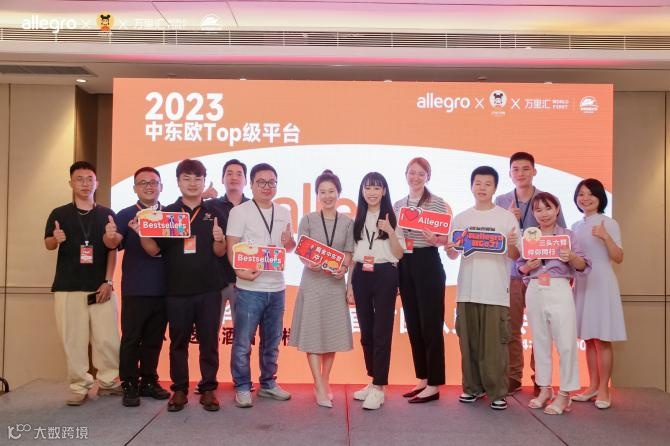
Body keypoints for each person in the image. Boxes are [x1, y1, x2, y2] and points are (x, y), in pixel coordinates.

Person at [132, 159, 227, 412]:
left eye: (197, 178)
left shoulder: (215, 212)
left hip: (209, 290)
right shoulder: (167, 214)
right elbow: (153, 250)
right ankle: (180, 389)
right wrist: (143, 233)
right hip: (176, 291)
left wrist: (219, 239)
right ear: (178, 182)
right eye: (187, 178)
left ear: (204, 182)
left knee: (209, 342)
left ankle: (208, 388)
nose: (192, 183)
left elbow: (220, 252)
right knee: (178, 343)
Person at [44, 161, 122, 406]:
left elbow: (113, 250)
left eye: (90, 179)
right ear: (71, 183)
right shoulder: (59, 214)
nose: (85, 183)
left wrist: (108, 281)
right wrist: (55, 239)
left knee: (108, 339)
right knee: (73, 340)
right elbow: (48, 244)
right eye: (79, 179)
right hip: (68, 286)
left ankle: (109, 382)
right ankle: (79, 386)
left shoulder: (107, 214)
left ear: (97, 183)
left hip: (101, 287)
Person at [447, 166, 520, 410]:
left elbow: (515, 254)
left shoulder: (506, 218)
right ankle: (472, 388)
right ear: (471, 186)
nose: (482, 188)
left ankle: (497, 392)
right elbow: (453, 253)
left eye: (488, 184)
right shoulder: (461, 218)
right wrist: (449, 248)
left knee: (495, 346)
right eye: (478, 183)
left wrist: (511, 244)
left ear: (495, 188)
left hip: (495, 292)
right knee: (469, 344)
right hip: (467, 290)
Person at [494, 151, 566, 394]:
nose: (521, 173)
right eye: (515, 169)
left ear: (534, 171)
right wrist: (508, 219)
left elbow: (560, 235)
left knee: (542, 328)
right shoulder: (502, 200)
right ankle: (513, 376)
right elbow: (495, 237)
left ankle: (541, 377)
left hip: (541, 274)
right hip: (512, 274)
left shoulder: (547, 200)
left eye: (526, 168)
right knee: (511, 327)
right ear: (510, 173)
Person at [227, 163, 296, 408]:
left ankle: (268, 384)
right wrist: (239, 272)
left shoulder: (284, 211)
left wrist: (289, 242)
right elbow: (232, 246)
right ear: (251, 184)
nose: (267, 186)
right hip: (249, 289)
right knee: (243, 342)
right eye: (262, 182)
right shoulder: (239, 212)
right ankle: (242, 386)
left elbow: (289, 247)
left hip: (277, 287)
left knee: (272, 342)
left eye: (272, 182)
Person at [518, 192, 589, 415]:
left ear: (557, 209)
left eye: (548, 208)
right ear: (534, 213)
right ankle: (545, 389)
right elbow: (520, 268)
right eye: (538, 210)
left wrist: (571, 257)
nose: (544, 214)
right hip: (534, 288)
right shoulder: (530, 235)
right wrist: (528, 266)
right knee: (540, 342)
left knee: (566, 343)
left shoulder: (568, 235)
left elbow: (583, 265)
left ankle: (565, 393)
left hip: (559, 287)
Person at [289, 170, 354, 408]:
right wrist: (308, 262)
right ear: (317, 194)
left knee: (331, 335)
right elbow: (301, 250)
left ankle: (325, 381)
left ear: (339, 193)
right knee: (313, 335)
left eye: (331, 191)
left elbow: (349, 252)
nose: (327, 196)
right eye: (322, 192)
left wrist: (343, 268)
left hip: (335, 284)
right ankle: (318, 384)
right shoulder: (307, 220)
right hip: (313, 284)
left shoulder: (348, 222)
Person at [106, 167, 170, 407]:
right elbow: (113, 243)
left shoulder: (170, 215)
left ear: (161, 186)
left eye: (153, 182)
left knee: (155, 339)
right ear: (135, 188)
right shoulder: (125, 215)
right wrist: (110, 235)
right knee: (132, 338)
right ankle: (129, 383)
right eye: (143, 183)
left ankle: (149, 381)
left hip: (165, 289)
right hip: (135, 289)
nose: (149, 186)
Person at [392, 158, 451, 403]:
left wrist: (436, 239)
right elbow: (395, 238)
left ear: (428, 177)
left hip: (428, 261)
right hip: (405, 263)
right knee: (414, 324)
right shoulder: (398, 205)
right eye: (412, 172)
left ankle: (435, 383)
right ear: (405, 174)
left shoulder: (437, 203)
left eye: (421, 173)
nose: (415, 177)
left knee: (431, 324)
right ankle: (423, 378)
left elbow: (446, 238)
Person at [347, 172, 404, 410]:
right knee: (366, 332)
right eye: (367, 188)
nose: (372, 192)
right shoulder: (357, 219)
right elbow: (353, 257)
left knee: (382, 331)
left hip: (385, 273)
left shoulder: (393, 217)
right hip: (361, 274)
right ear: (362, 191)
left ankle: (380, 387)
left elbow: (399, 254)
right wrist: (349, 286)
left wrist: (390, 231)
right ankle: (373, 380)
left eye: (376, 188)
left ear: (384, 191)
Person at [570, 178, 626, 410]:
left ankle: (604, 389)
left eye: (590, 194)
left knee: (602, 338)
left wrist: (605, 236)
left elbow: (619, 257)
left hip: (602, 283)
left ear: (600, 197)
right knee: (588, 338)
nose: (585, 198)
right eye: (581, 194)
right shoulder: (575, 226)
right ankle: (592, 386)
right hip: (582, 283)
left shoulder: (609, 223)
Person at [205, 158, 250, 322]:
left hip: (246, 281)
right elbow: (181, 214)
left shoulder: (253, 207)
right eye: (229, 173)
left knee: (244, 332)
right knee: (210, 330)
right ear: (222, 179)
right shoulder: (210, 206)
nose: (234, 177)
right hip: (215, 281)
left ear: (246, 181)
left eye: (239, 174)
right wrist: (202, 196)